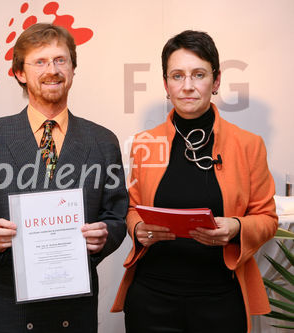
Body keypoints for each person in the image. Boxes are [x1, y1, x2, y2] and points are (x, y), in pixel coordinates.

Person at [0, 23, 128, 332]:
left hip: (74, 308)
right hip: (7, 306)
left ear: (73, 69)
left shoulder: (103, 141)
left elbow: (116, 213)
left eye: (60, 60)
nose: (52, 70)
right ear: (20, 73)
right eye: (40, 62)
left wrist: (104, 235)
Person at [111, 30, 278, 333]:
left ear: (215, 82)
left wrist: (237, 227)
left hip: (220, 298)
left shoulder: (248, 145)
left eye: (198, 74)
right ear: (166, 84)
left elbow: (267, 219)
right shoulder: (144, 144)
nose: (187, 86)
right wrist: (138, 228)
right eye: (177, 76)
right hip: (151, 298)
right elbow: (132, 207)